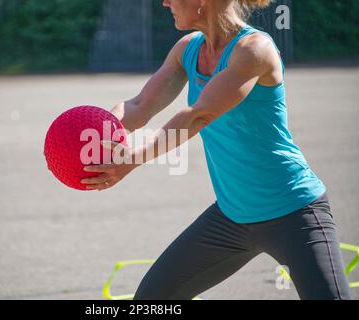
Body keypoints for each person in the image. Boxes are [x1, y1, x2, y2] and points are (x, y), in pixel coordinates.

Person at [81, 0, 352, 300]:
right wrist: (94, 133)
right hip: (232, 217)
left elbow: (198, 115)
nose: (165, 2)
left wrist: (131, 159)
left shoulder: (254, 50)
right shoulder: (188, 49)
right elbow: (139, 105)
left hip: (294, 211)